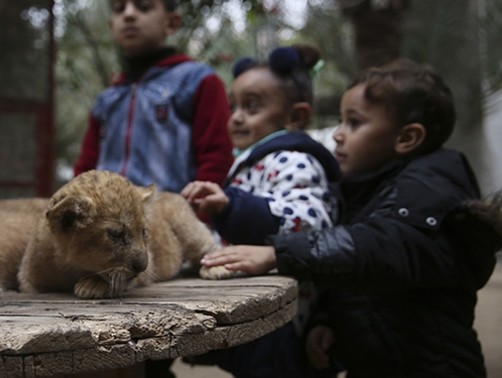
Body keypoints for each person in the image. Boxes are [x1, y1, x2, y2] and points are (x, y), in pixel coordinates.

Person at [201, 59, 502, 377]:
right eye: (341, 122)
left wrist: (279, 252)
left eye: (354, 123)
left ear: (407, 138)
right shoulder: (363, 188)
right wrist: (327, 322)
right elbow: (354, 279)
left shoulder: (428, 189)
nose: (338, 136)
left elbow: (377, 248)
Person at [181, 45, 341, 377]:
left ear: (295, 117)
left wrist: (231, 205)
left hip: (285, 320)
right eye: (233, 106)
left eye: (251, 106)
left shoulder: (294, 159)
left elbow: (311, 222)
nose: (236, 116)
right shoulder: (253, 161)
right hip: (258, 314)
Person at [73, 0, 233, 193]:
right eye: (119, 9)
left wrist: (199, 216)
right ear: (111, 25)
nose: (129, 14)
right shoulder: (108, 98)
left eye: (144, 6)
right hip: (106, 219)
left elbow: (217, 157)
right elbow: (85, 167)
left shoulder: (198, 81)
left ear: (171, 23)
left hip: (170, 218)